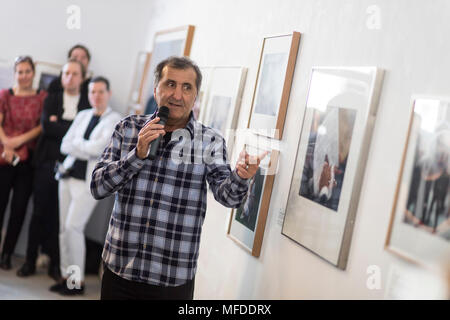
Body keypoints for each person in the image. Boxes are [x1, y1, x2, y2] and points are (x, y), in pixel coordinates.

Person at [91, 56, 266, 300]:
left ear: (195, 96)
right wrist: (137, 155)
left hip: (172, 279)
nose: (177, 95)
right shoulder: (128, 129)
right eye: (170, 84)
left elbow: (229, 198)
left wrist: (241, 176)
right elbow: (98, 187)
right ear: (156, 89)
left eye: (187, 87)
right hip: (120, 269)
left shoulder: (209, 141)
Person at [16, 59, 90, 280]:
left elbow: (81, 136)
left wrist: (61, 126)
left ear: (82, 78)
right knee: (38, 213)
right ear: (62, 76)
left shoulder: (87, 104)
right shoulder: (52, 98)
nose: (69, 78)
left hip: (70, 168)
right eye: (66, 73)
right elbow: (47, 127)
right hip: (45, 164)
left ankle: (56, 265)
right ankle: (29, 260)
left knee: (59, 218)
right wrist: (69, 128)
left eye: (75, 74)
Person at [49, 76, 122, 296]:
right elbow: (64, 145)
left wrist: (78, 146)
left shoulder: (115, 120)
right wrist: (82, 146)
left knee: (74, 227)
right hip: (67, 176)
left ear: (108, 94)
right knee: (63, 230)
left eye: (100, 92)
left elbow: (98, 149)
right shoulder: (83, 115)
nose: (96, 96)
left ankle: (77, 281)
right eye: (92, 92)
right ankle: (66, 276)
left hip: (88, 182)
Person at [0, 56, 47, 269]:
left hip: (27, 161)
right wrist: (7, 144)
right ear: (15, 73)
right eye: (20, 71)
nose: (24, 76)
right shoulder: (4, 95)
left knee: (19, 209)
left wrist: (18, 140)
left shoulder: (42, 97)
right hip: (4, 156)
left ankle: (7, 254)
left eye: (27, 71)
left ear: (33, 73)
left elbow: (41, 127)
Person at [47, 44, 92, 108]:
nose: (79, 60)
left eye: (83, 58)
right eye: (75, 57)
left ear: (88, 62)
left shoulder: (93, 86)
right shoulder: (55, 84)